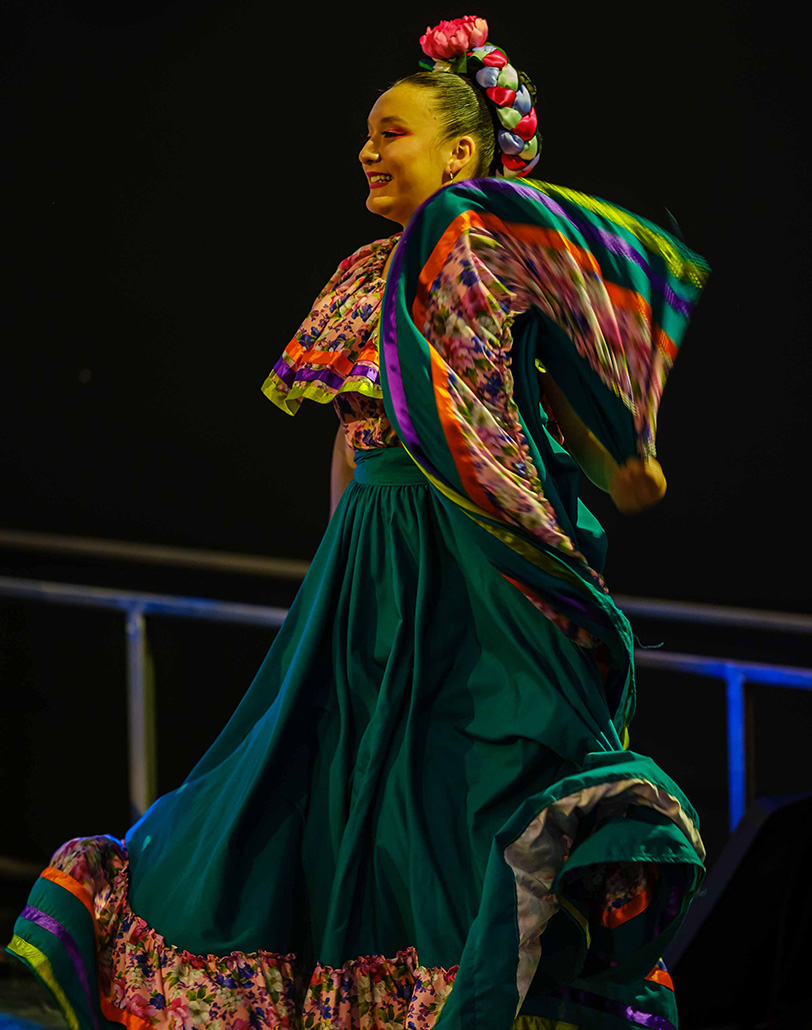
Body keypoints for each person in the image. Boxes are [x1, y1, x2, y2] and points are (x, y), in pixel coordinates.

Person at [6, 16, 710, 1030]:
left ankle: (477, 993)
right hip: (370, 561)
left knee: (463, 780)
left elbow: (583, 434)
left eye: (392, 132)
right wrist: (332, 583)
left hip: (466, 557)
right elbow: (351, 440)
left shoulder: (491, 255)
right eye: (366, 135)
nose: (366, 150)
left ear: (461, 153)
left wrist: (612, 447)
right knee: (337, 785)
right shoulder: (362, 278)